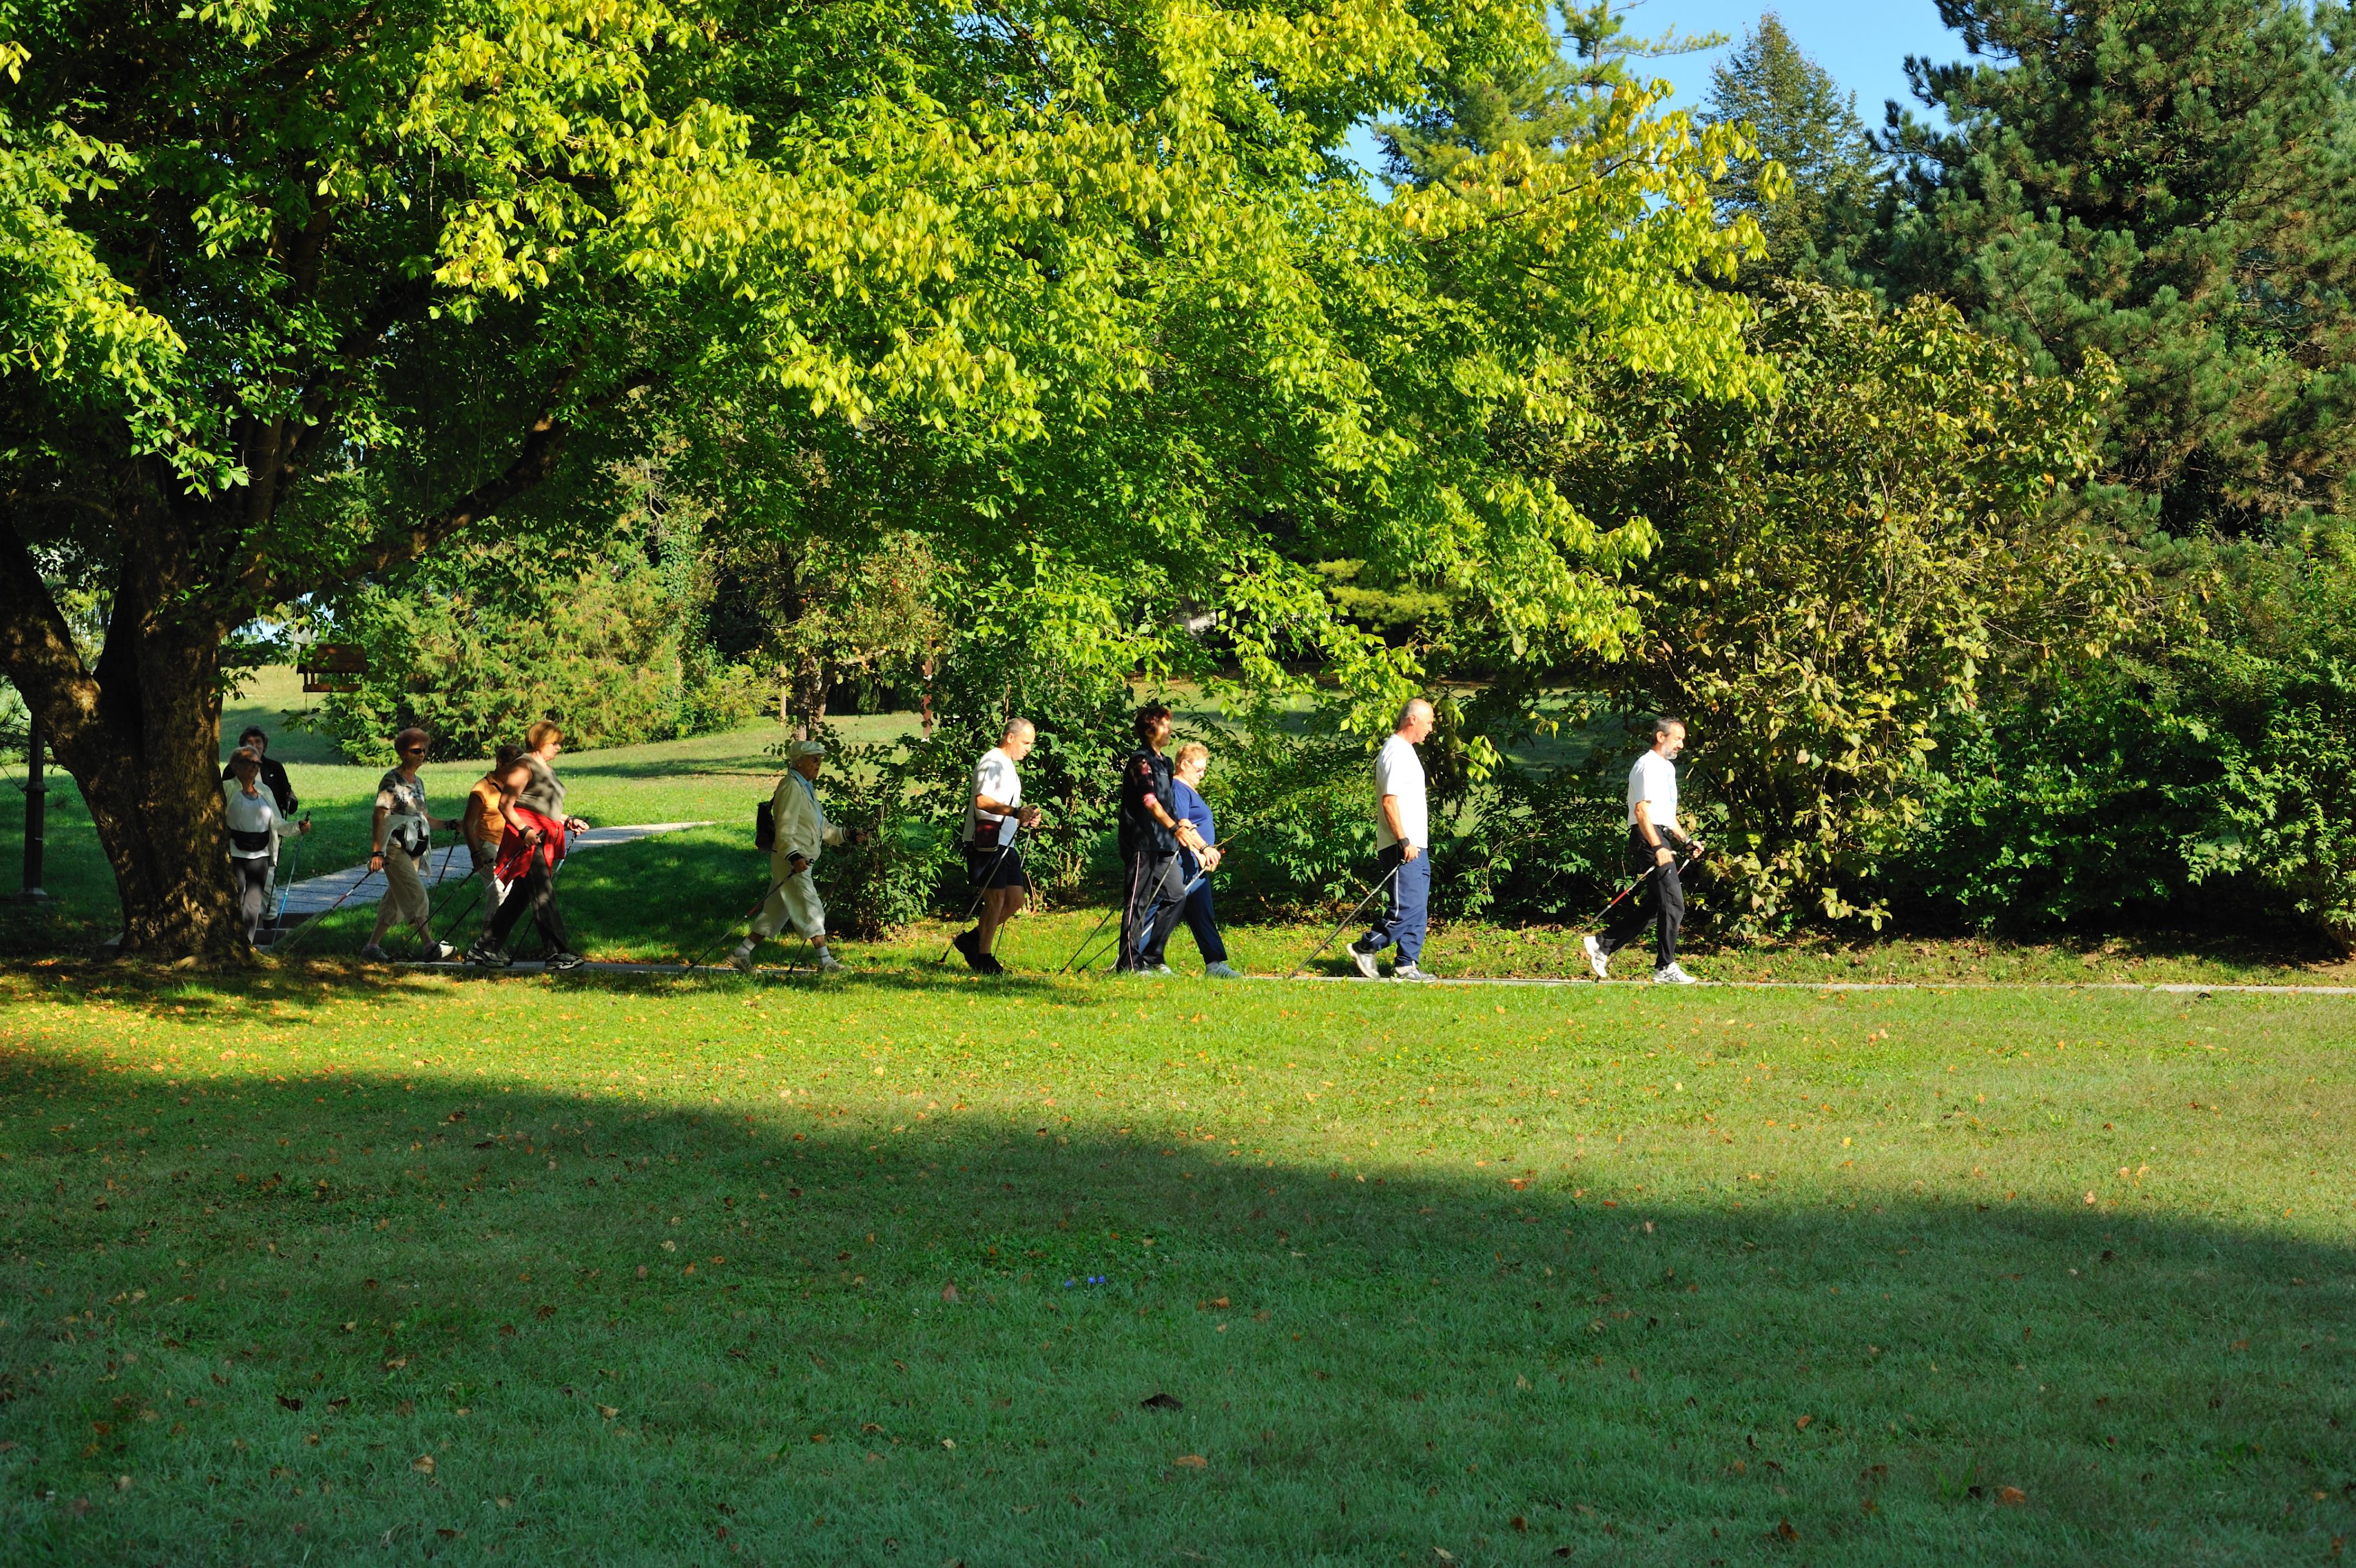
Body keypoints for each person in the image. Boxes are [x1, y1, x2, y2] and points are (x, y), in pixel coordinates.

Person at [1585, 716, 1702, 985]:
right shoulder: (1648, 766)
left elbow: (1667, 815)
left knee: (1656, 906)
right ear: (1661, 737)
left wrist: (1686, 841)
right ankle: (1665, 967)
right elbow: (1642, 812)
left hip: (1658, 834)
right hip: (1647, 836)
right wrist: (1658, 846)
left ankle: (1603, 944)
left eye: (1683, 739)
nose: (1682, 745)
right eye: (1677, 739)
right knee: (1674, 904)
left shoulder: (1666, 769)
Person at [469, 720, 590, 970]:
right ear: (539, 741)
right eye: (554, 743)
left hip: (543, 835)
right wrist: (524, 831)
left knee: (521, 896)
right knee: (543, 893)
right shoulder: (523, 766)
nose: (558, 747)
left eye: (559, 743)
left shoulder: (543, 767)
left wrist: (569, 821)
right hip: (528, 838)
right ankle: (557, 954)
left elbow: (543, 806)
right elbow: (506, 805)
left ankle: (485, 948)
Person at [729, 738, 857, 974]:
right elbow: (785, 829)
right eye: (814, 759)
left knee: (776, 910)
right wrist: (793, 856)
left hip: (798, 860)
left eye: (820, 759)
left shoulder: (805, 787)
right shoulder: (790, 786)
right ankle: (826, 962)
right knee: (811, 907)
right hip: (793, 862)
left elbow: (821, 827)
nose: (819, 763)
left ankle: (742, 953)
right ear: (799, 762)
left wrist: (847, 835)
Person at [1350, 697, 1437, 982]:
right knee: (1406, 906)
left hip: (1416, 845)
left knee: (1418, 908)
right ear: (1413, 719)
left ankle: (1406, 965)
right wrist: (1403, 840)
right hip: (1403, 845)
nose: (1431, 728)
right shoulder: (1395, 752)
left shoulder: (1407, 752)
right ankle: (1366, 946)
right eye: (1429, 722)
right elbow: (1390, 802)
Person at [1115, 704, 1205, 975]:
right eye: (1165, 725)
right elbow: (1149, 801)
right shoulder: (1140, 761)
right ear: (1150, 728)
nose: (1169, 730)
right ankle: (1128, 963)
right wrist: (1173, 827)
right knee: (1137, 902)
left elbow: (1168, 803)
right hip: (1142, 842)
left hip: (1165, 843)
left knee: (1176, 897)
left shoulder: (1165, 762)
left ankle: (1154, 956)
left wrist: (1186, 833)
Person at [362, 727, 461, 962]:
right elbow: (379, 815)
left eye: (425, 750)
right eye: (417, 750)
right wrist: (377, 851)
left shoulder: (419, 782)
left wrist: (450, 825)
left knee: (396, 898)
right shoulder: (391, 780)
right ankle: (430, 946)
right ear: (403, 753)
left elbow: (424, 818)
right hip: (394, 847)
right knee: (416, 894)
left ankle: (371, 948)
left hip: (414, 847)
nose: (422, 754)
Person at [954, 717, 1041, 974]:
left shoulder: (1009, 766)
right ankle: (984, 957)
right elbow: (982, 801)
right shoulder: (992, 761)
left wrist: (1025, 817)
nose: (1029, 748)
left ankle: (971, 939)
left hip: (1006, 842)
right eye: (1026, 742)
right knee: (995, 900)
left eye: (1032, 744)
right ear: (1010, 738)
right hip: (988, 842)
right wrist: (1016, 812)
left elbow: (1010, 809)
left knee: (1014, 900)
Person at [1161, 741, 1240, 978]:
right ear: (1184, 765)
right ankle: (1146, 959)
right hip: (1184, 862)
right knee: (1168, 910)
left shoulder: (1189, 788)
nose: (1202, 775)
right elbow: (1183, 824)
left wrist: (1205, 855)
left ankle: (1214, 965)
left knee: (1202, 912)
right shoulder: (1179, 788)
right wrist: (1203, 849)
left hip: (1196, 863)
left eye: (1204, 770)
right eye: (1199, 770)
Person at [223, 746, 310, 944]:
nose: (254, 767)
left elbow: (277, 823)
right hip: (234, 853)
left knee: (253, 904)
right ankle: (231, 941)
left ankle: (246, 945)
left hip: (261, 854)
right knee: (234, 900)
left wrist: (297, 827)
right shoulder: (226, 788)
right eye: (249, 762)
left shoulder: (265, 791)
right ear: (236, 766)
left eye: (257, 763)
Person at [461, 743, 524, 931]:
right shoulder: (483, 788)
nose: (517, 772)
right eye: (513, 766)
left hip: (510, 846)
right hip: (489, 846)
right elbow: (467, 823)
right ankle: (487, 944)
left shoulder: (515, 787)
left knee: (510, 894)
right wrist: (475, 854)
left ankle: (491, 945)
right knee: (499, 894)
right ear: (500, 762)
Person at [221, 725, 297, 816]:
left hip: (272, 822)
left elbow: (289, 805)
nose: (254, 746)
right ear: (243, 747)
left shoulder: (275, 768)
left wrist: (292, 801)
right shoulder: (232, 769)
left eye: (258, 742)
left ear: (264, 745)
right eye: (250, 742)